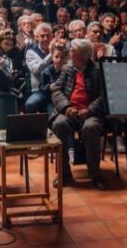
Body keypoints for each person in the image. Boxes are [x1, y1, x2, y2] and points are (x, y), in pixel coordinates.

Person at [50, 39, 106, 190]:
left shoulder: (97, 70)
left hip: (90, 113)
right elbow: (56, 90)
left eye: (73, 52)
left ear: (82, 56)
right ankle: (64, 174)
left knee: (91, 127)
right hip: (70, 111)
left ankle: (95, 173)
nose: (69, 54)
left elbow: (104, 95)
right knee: (59, 124)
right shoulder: (68, 68)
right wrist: (66, 107)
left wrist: (90, 110)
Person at [25, 23, 54, 113]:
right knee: (30, 104)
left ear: (52, 37)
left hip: (56, 89)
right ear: (36, 37)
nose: (45, 39)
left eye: (48, 36)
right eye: (42, 36)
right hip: (39, 90)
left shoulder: (59, 50)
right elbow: (36, 70)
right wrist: (51, 54)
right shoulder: (31, 52)